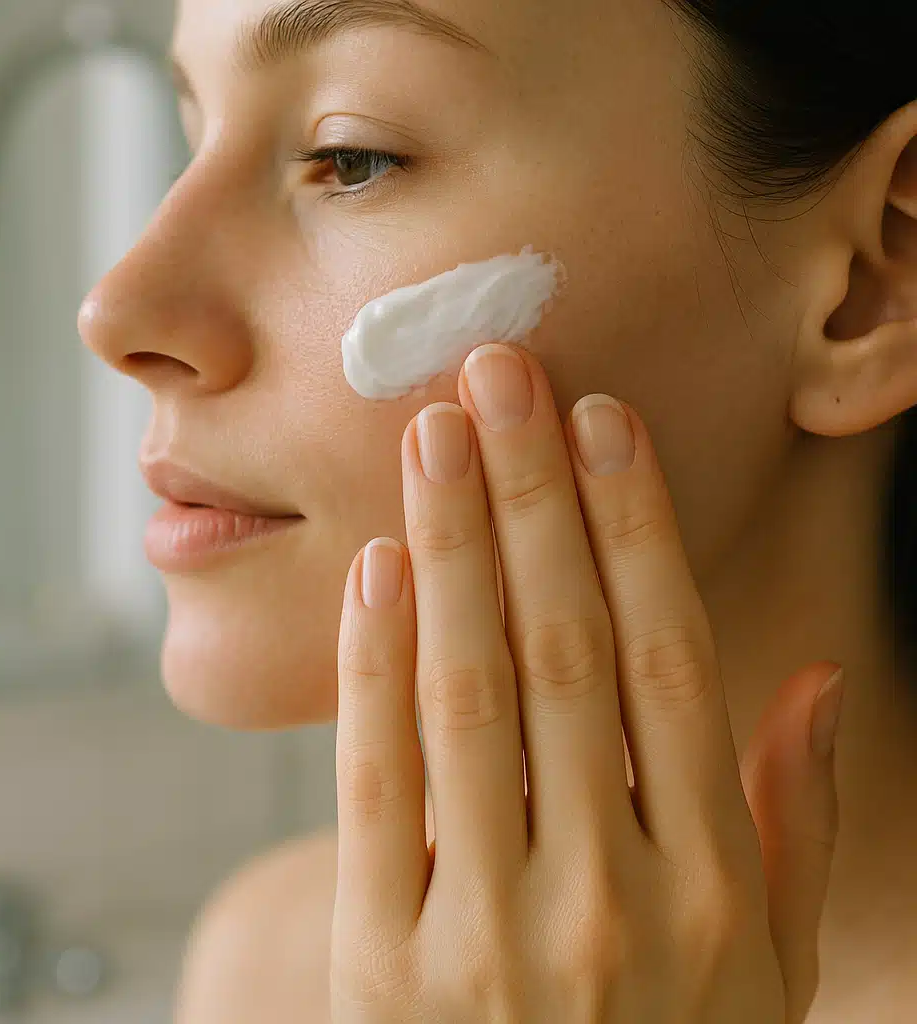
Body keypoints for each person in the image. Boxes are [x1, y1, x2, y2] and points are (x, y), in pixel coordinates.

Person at [77, 0, 917, 1020]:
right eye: (192, 136)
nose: (118, 309)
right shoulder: (274, 970)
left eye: (352, 157)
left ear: (879, 274)